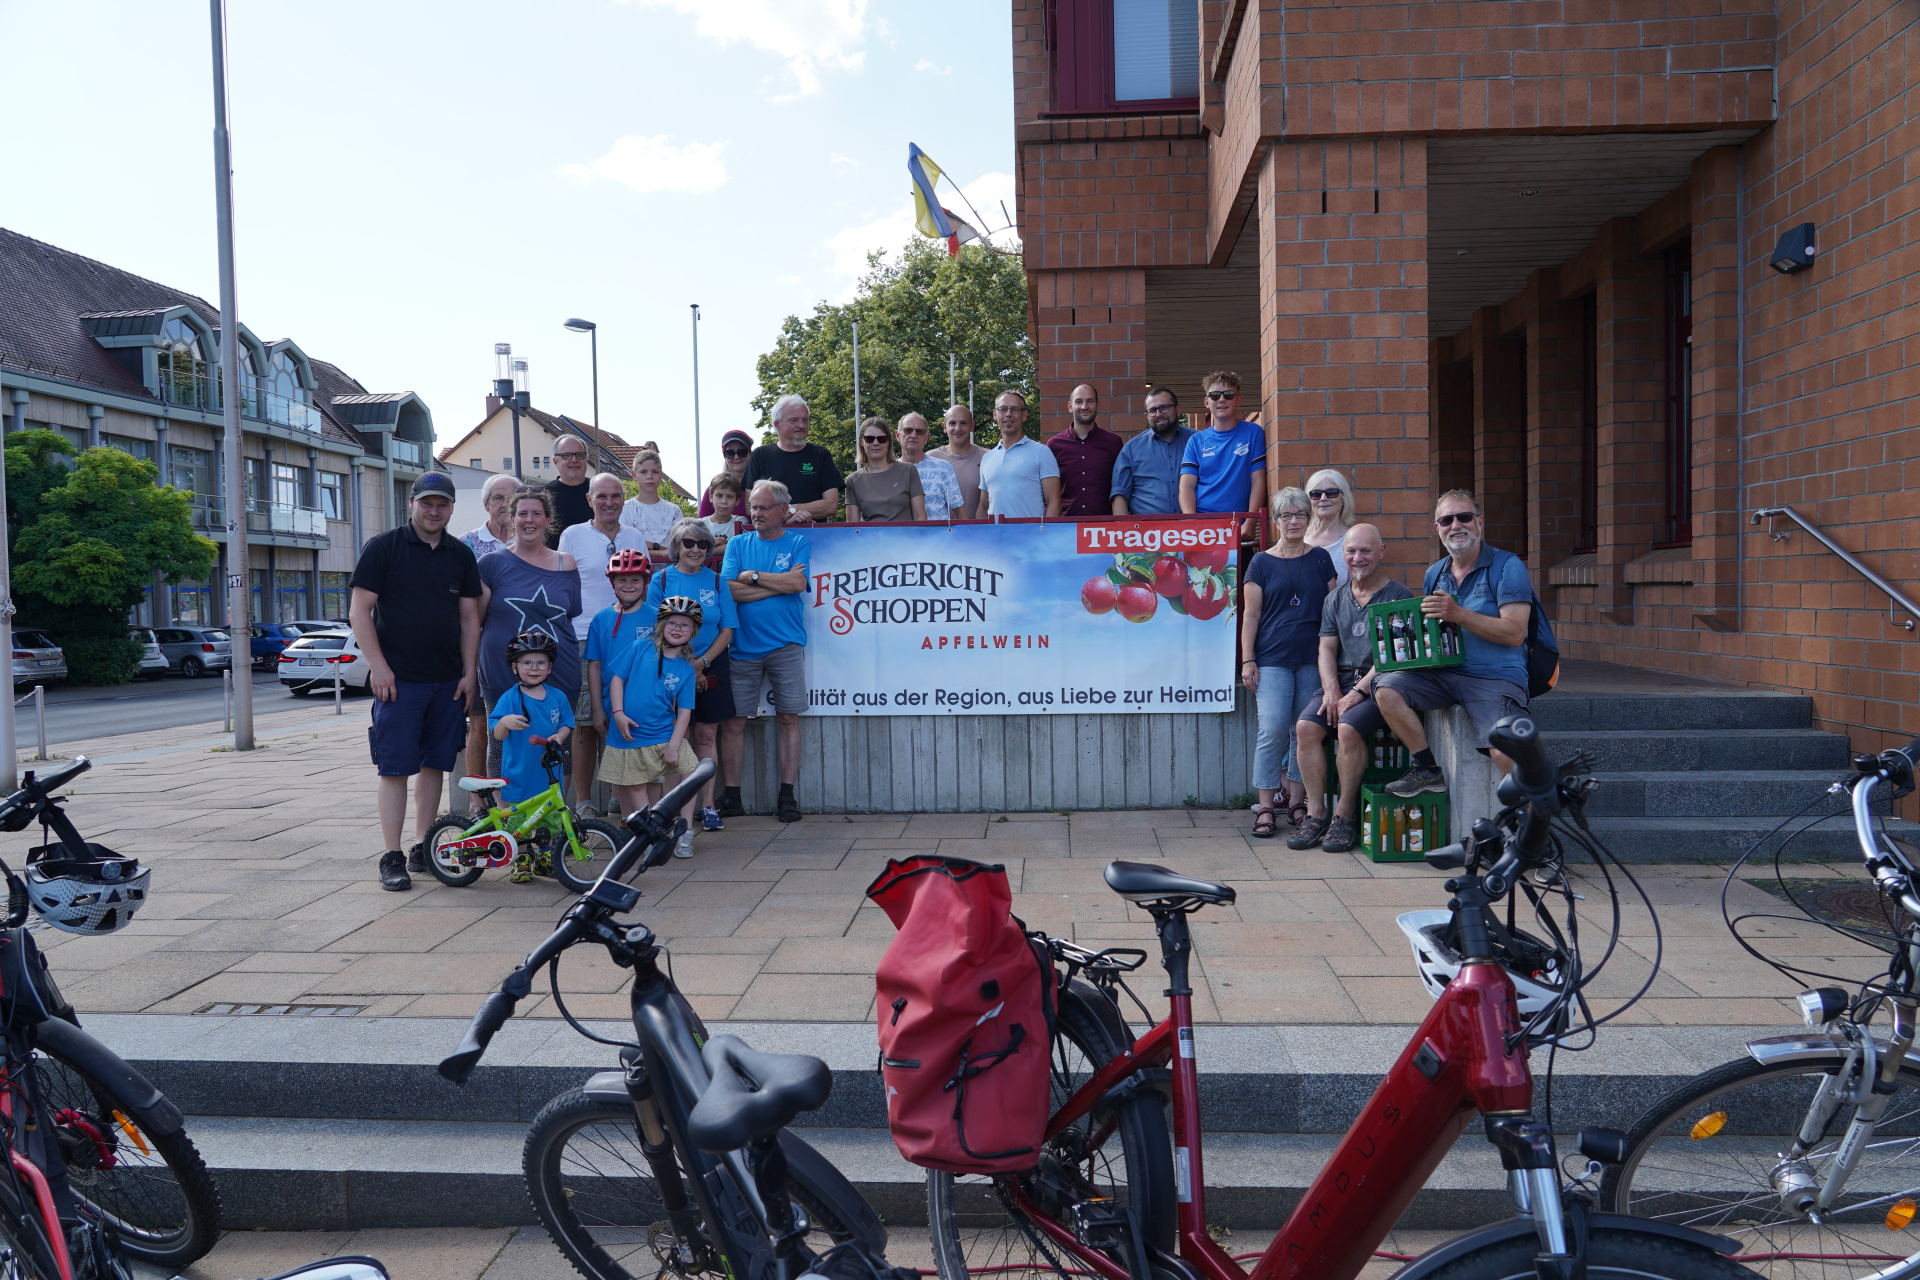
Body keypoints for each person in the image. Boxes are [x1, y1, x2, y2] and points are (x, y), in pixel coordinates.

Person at [348, 472, 482, 892]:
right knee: (394, 768)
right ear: (412, 503)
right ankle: (391, 855)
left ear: (452, 508)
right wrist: (379, 666)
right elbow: (359, 611)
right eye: (427, 503)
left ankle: (423, 845)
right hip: (399, 682)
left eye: (442, 504)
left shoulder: (460, 555)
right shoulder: (383, 548)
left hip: (446, 682)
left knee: (434, 765)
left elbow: (469, 619)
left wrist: (469, 673)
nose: (434, 511)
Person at [1375, 490, 1533, 796]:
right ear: (1438, 529)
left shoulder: (1507, 566)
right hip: (1445, 671)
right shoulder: (1435, 573)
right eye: (1447, 520)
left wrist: (1459, 614)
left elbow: (1515, 634)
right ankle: (1428, 770)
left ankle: (1533, 830)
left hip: (1495, 675)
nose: (1456, 525)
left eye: (1464, 517)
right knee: (1386, 688)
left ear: (1480, 523)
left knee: (1505, 751)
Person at [1287, 525, 1413, 852]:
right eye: (1351, 552)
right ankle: (1316, 814)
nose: (1358, 558)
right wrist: (1330, 690)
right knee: (1305, 728)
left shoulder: (1399, 596)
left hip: (1380, 682)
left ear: (1382, 551)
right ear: (1343, 555)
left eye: (1366, 551)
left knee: (1347, 728)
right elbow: (1326, 648)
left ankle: (1344, 815)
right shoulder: (1335, 598)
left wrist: (1358, 692)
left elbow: (1394, 654)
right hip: (1341, 680)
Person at [1239, 487, 1337, 839]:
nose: (1294, 521)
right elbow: (1250, 617)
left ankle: (1297, 802)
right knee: (1272, 730)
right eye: (1286, 515)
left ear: (1308, 519)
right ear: (1277, 521)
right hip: (1272, 660)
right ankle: (1266, 805)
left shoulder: (1321, 558)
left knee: (1304, 733)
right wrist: (1248, 660)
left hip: (1312, 661)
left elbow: (1332, 611)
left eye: (1300, 515)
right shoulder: (1261, 562)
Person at [477, 488, 583, 785]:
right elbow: (476, 619)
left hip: (558, 671)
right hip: (501, 671)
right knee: (500, 744)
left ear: (548, 519)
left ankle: (561, 813)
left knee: (559, 744)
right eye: (522, 513)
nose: (529, 520)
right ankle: (503, 812)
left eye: (537, 513)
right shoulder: (490, 564)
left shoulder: (566, 563)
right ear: (511, 519)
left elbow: (569, 613)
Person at [557, 473, 649, 810]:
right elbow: (561, 585)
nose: (609, 502)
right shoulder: (573, 535)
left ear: (624, 499)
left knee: (621, 714)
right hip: (583, 638)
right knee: (585, 723)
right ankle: (584, 799)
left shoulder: (635, 536)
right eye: (601, 496)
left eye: (615, 496)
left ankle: (616, 793)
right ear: (589, 499)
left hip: (628, 640)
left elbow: (644, 585)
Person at [720, 480, 811, 822]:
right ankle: (732, 797)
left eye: (763, 507)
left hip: (786, 644)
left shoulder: (798, 541)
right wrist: (778, 584)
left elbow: (798, 584)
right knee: (734, 722)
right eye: (753, 507)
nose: (755, 513)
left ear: (783, 511)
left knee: (788, 718)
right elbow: (729, 591)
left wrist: (755, 577)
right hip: (742, 645)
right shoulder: (738, 543)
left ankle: (787, 796)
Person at [647, 517, 738, 833]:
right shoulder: (660, 581)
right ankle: (672, 807)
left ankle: (708, 805)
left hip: (712, 665)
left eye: (702, 543)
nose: (696, 549)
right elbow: (654, 630)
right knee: (677, 736)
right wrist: (686, 666)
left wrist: (702, 663)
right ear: (676, 546)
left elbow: (728, 628)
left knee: (706, 735)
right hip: (672, 667)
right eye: (688, 542)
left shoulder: (716, 581)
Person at [606, 598, 701, 856]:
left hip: (663, 734)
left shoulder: (686, 669)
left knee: (690, 775)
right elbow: (617, 680)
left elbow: (684, 711)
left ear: (693, 632)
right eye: (672, 622)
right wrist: (618, 713)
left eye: (685, 625)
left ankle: (685, 831)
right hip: (630, 733)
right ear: (661, 625)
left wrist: (673, 745)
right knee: (636, 785)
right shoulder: (639, 648)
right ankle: (648, 836)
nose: (677, 628)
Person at [488, 630, 575, 883]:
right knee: (519, 821)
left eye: (540, 663)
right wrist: (504, 721)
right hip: (519, 773)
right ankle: (522, 859)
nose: (534, 668)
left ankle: (545, 858)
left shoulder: (557, 696)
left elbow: (567, 724)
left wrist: (560, 735)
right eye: (527, 662)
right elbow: (498, 734)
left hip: (549, 773)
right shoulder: (510, 697)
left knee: (551, 819)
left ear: (549, 667)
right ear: (515, 667)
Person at [583, 549, 654, 814]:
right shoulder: (601, 619)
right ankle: (628, 817)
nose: (628, 585)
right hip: (613, 706)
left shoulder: (657, 616)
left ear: (646, 582)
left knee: (650, 766)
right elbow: (594, 664)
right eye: (622, 580)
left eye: (635, 580)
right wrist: (598, 709)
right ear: (612, 583)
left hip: (649, 705)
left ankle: (651, 818)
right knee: (624, 764)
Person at [1180, 371, 1267, 521]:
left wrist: (1251, 521)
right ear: (1206, 402)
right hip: (1203, 524)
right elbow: (1186, 486)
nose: (1221, 399)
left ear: (1238, 400)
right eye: (1215, 395)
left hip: (1239, 522)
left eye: (1228, 395)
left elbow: (1258, 481)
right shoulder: (1196, 441)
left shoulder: (1253, 432)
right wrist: (1192, 523)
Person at [743, 395, 842, 523]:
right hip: (772, 539)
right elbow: (749, 506)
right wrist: (787, 520)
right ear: (777, 424)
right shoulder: (760, 455)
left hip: (813, 538)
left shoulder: (821, 455)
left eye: (805, 420)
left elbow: (831, 506)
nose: (801, 425)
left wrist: (792, 509)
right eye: (794, 420)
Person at [1111, 387, 1195, 516]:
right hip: (1148, 532)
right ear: (1146, 415)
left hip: (1193, 530)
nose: (1158, 414)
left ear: (1178, 409)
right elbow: (1120, 494)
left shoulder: (1198, 442)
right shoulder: (1131, 449)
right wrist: (1122, 531)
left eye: (1164, 407)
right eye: (1152, 410)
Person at [977, 391, 1061, 518]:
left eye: (1014, 409)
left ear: (1024, 415)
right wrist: (982, 535)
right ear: (995, 414)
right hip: (996, 536)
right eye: (1003, 409)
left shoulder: (1041, 452)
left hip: (1030, 536)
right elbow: (983, 507)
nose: (1008, 414)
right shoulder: (987, 458)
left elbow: (1054, 502)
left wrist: (1045, 536)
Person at [1047, 384, 1124, 517]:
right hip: (1065, 528)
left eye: (1090, 401)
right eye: (1079, 401)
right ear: (1070, 406)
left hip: (1104, 529)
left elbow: (1121, 487)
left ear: (1097, 406)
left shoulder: (1113, 443)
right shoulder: (1054, 445)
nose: (1084, 406)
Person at [845, 416, 926, 522]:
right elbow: (852, 527)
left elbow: (920, 516)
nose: (875, 443)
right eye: (869, 439)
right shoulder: (853, 481)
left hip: (906, 537)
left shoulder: (909, 471)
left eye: (881, 439)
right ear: (861, 442)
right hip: (870, 538)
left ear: (888, 442)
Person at [897, 413, 963, 520]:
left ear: (926, 438)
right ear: (897, 435)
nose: (913, 435)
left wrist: (966, 535)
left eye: (919, 432)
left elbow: (959, 512)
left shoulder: (943, 468)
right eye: (908, 430)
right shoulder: (890, 470)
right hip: (901, 536)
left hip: (939, 536)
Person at [1304, 468, 1358, 585]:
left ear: (1343, 499)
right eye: (1316, 494)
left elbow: (1358, 591)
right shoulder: (1297, 537)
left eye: (1331, 493)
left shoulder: (1352, 540)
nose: (1323, 498)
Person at [620, 449, 681, 550]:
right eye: (643, 472)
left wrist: (648, 546)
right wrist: (660, 550)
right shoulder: (624, 509)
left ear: (661, 475)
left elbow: (678, 548)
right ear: (634, 475)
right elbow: (625, 545)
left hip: (669, 565)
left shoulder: (674, 511)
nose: (649, 476)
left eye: (655, 472)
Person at [929, 404, 982, 518]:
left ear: (972, 426)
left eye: (963, 423)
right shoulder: (930, 459)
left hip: (979, 532)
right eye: (952, 423)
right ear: (944, 427)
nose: (958, 428)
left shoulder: (987, 458)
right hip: (940, 533)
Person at [544, 435, 594, 545]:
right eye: (566, 455)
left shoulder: (600, 491)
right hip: (555, 560)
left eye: (579, 455)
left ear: (586, 459)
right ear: (555, 461)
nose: (574, 460)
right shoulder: (543, 496)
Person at [460, 473, 520, 557]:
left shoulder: (531, 541)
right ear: (486, 505)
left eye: (512, 498)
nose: (505, 504)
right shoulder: (465, 543)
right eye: (498, 498)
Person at [699, 429, 755, 517]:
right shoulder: (712, 490)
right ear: (724, 456)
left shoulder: (761, 489)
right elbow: (701, 527)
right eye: (730, 453)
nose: (736, 457)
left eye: (742, 452)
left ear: (750, 453)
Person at [703, 473, 748, 550]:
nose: (724, 501)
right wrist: (726, 543)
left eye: (730, 496)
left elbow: (738, 548)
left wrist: (708, 548)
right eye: (719, 496)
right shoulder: (701, 524)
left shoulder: (740, 522)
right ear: (710, 497)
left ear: (737, 500)